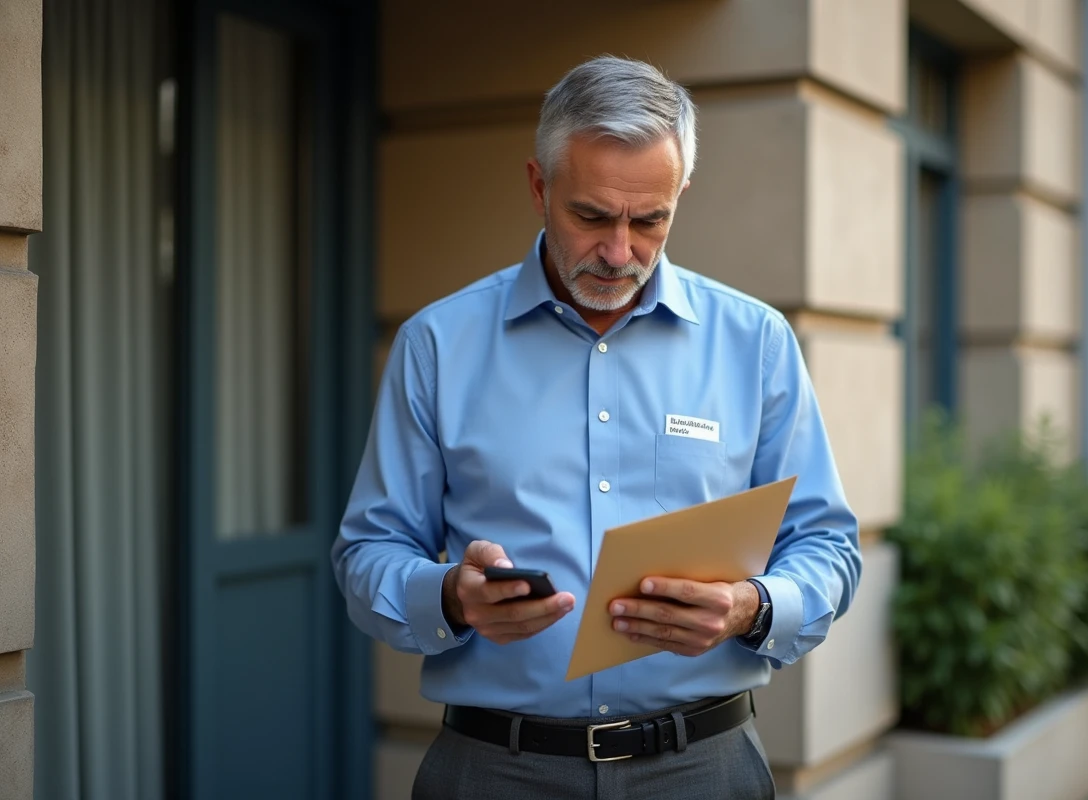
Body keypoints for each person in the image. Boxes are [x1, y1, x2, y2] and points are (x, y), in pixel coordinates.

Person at [331, 55, 862, 800]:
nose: (619, 252)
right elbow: (367, 554)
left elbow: (828, 545)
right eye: (591, 216)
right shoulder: (437, 346)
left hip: (704, 768)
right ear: (539, 187)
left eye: (650, 221)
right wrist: (450, 597)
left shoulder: (757, 343)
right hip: (496, 770)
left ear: (680, 194)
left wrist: (752, 607)